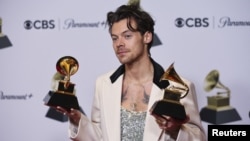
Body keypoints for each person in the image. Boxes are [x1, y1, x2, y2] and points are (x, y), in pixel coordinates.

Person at [55, 2, 206, 141]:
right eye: (114, 38)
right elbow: (100, 136)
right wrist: (77, 119)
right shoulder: (103, 83)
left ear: (147, 36)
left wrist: (175, 130)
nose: (119, 44)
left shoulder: (178, 86)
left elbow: (199, 137)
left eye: (127, 36)